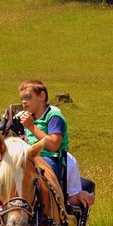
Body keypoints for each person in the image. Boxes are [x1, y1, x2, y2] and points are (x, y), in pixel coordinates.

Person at [17, 79, 95, 208]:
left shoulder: (53, 116)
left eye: (27, 97)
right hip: (32, 157)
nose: (24, 101)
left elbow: (54, 145)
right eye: (22, 98)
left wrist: (31, 127)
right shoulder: (31, 118)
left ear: (42, 96)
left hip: (50, 158)